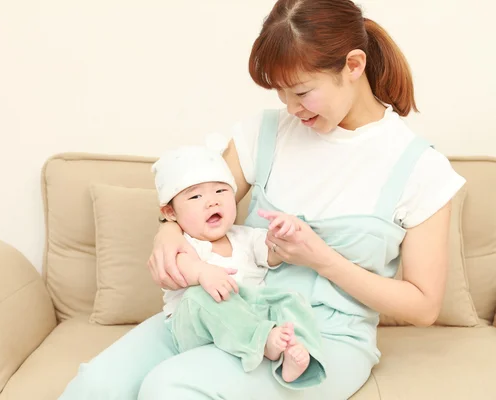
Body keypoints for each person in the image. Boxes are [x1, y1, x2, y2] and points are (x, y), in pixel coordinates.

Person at [59, 0, 465, 398]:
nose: (291, 108)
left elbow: (423, 306)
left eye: (302, 92)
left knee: (171, 387)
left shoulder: (420, 169)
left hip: (316, 340)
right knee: (95, 386)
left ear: (354, 66)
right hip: (225, 309)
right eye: (281, 93)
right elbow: (194, 206)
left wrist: (320, 258)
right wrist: (167, 232)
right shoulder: (266, 132)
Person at [151, 142, 326, 387]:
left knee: (288, 299)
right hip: (194, 328)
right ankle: (264, 341)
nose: (212, 202)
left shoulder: (246, 236)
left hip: (247, 315)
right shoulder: (186, 243)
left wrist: (283, 232)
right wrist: (203, 273)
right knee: (201, 296)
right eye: (196, 196)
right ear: (170, 213)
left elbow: (273, 254)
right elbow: (179, 265)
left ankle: (297, 351)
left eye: (221, 192)